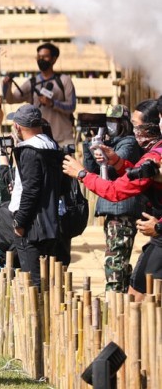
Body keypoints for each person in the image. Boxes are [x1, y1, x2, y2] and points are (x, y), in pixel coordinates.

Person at [62, 101, 162, 298]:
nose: (134, 131)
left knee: (137, 296)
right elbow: (136, 175)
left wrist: (81, 174)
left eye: (136, 125)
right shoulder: (153, 154)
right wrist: (116, 161)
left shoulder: (154, 156)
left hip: (155, 234)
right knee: (138, 292)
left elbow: (116, 190)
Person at [78, 104, 144, 292]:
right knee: (118, 261)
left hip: (122, 209)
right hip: (113, 210)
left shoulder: (129, 143)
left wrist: (103, 150)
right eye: (108, 122)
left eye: (115, 121)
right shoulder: (109, 143)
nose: (111, 125)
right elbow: (92, 171)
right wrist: (90, 143)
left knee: (115, 264)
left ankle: (114, 300)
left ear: (124, 123)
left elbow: (117, 163)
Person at [7, 104, 62, 287]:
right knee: (48, 280)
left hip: (33, 225)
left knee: (33, 282)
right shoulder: (51, 145)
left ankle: (38, 315)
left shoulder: (30, 151)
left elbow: (31, 191)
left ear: (17, 127)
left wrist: (20, 223)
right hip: (50, 222)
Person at [3, 42, 76, 147]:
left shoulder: (64, 80)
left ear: (54, 59)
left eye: (45, 56)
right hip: (40, 141)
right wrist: (7, 86)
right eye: (39, 56)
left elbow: (71, 106)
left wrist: (52, 103)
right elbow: (11, 99)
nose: (41, 59)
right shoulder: (32, 82)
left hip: (63, 139)